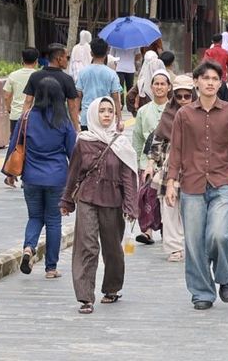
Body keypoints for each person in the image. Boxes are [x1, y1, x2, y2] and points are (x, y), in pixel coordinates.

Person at [165, 61, 228, 311]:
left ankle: (223, 275)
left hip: (223, 182)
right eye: (206, 78)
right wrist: (171, 182)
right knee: (194, 241)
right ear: (196, 83)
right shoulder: (184, 114)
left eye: (215, 78)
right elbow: (176, 150)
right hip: (192, 183)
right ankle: (201, 291)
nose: (210, 82)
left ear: (220, 83)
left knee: (219, 235)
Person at [60, 96, 138, 314]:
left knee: (112, 248)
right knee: (87, 245)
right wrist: (66, 201)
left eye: (109, 111)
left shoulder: (121, 143)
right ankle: (85, 297)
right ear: (93, 114)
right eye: (102, 110)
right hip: (87, 198)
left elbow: (128, 178)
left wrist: (131, 207)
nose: (106, 114)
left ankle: (112, 287)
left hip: (113, 202)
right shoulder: (83, 142)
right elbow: (73, 173)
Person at [8, 78, 76, 279]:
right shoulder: (63, 121)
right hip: (56, 178)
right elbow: (73, 152)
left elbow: (14, 145)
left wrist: (11, 174)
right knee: (54, 221)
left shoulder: (27, 117)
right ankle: (51, 268)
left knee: (35, 217)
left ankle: (29, 248)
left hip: (31, 176)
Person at [145, 75, 196, 262]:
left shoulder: (202, 115)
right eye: (179, 96)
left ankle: (192, 246)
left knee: (193, 209)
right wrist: (150, 165)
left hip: (195, 169)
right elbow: (157, 143)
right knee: (170, 208)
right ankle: (175, 247)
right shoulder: (168, 114)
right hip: (169, 169)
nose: (183, 100)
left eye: (187, 96)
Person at [132, 70, 171, 245]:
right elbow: (138, 138)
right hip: (145, 161)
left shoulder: (174, 110)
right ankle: (146, 231)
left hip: (167, 161)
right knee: (145, 196)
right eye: (156, 83)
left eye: (163, 84)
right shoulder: (142, 111)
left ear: (169, 87)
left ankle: (166, 230)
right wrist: (137, 162)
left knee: (163, 196)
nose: (159, 87)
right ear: (151, 86)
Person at [23, 43, 80, 132]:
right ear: (59, 59)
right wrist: (76, 127)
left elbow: (28, 101)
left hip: (37, 122)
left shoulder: (35, 76)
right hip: (59, 122)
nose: (68, 61)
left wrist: (23, 122)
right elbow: (72, 107)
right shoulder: (67, 79)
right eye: (67, 57)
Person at [76, 38, 123, 132]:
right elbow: (116, 98)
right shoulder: (112, 74)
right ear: (106, 53)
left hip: (87, 117)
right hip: (105, 118)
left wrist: (76, 116)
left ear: (91, 53)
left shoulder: (82, 72)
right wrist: (119, 119)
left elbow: (78, 96)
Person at [4, 48, 39, 134]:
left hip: (16, 116)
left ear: (23, 60)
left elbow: (6, 96)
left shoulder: (13, 75)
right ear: (36, 61)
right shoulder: (39, 76)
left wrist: (9, 109)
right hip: (34, 116)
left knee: (16, 143)